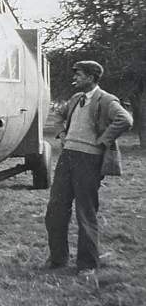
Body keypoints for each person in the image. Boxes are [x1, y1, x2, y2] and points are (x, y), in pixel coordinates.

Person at [45, 60, 133, 276]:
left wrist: (103, 140)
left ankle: (87, 265)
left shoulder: (106, 100)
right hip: (67, 158)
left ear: (92, 78)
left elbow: (125, 119)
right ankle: (58, 259)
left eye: (79, 75)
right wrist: (63, 135)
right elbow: (58, 115)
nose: (74, 78)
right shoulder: (76, 98)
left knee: (85, 212)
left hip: (88, 161)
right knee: (55, 209)